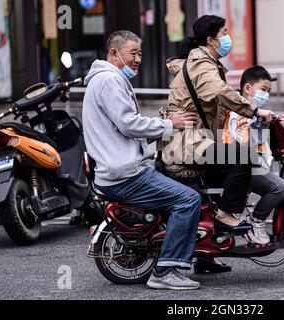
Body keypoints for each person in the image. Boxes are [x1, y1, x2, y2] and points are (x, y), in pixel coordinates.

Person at [82, 30, 202, 290]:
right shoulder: (108, 81)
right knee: (188, 199)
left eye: (140, 53)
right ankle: (166, 270)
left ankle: (197, 257)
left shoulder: (107, 79)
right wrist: (170, 124)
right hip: (124, 175)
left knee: (185, 185)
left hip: (120, 168)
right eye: (132, 53)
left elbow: (121, 127)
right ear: (115, 53)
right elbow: (128, 124)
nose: (138, 59)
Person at [161, 15, 273, 274]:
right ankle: (226, 216)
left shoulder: (206, 62)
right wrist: (254, 111)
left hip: (195, 140)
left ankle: (206, 255)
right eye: (224, 32)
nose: (227, 37)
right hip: (185, 144)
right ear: (211, 39)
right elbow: (220, 92)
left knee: (224, 179)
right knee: (242, 158)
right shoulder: (202, 63)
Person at [223, 66, 284, 244]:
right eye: (263, 90)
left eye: (268, 91)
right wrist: (260, 125)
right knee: (281, 188)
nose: (266, 95)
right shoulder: (240, 113)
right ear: (247, 89)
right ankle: (257, 221)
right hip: (241, 167)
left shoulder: (254, 112)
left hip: (250, 165)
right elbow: (245, 145)